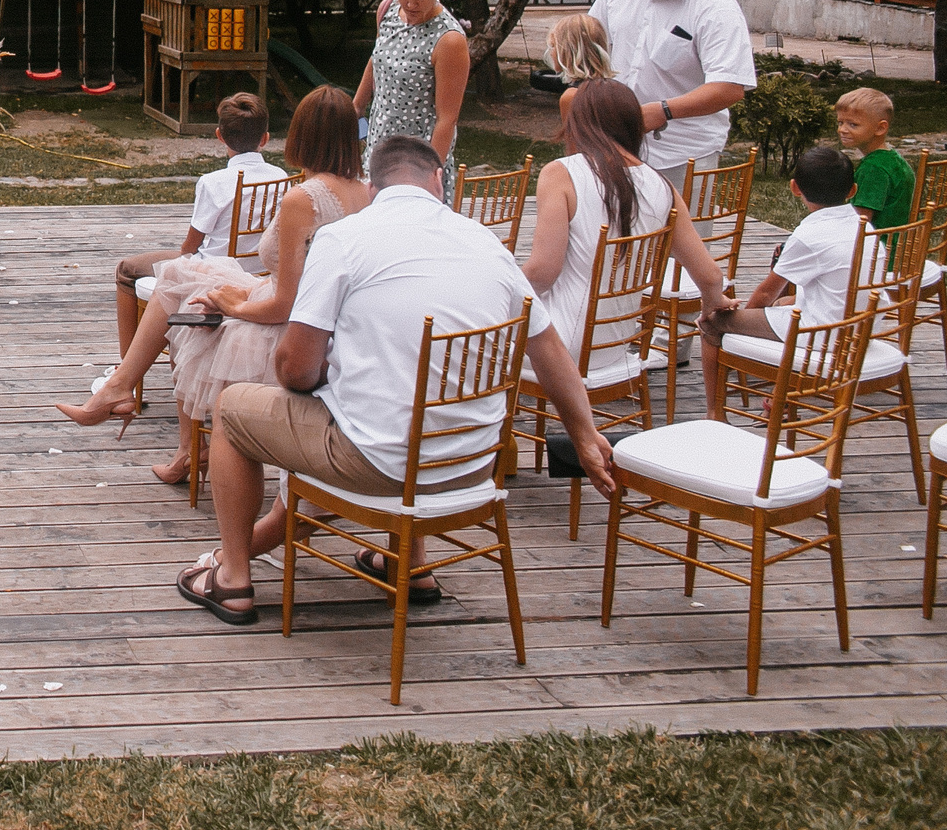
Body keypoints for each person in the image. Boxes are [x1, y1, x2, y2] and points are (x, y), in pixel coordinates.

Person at [175, 136, 618, 625]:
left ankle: (233, 577)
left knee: (235, 408)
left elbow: (295, 370)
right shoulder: (484, 241)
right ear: (438, 182)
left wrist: (322, 375)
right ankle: (410, 563)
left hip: (383, 464)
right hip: (473, 463)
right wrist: (583, 434)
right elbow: (550, 349)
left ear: (372, 188)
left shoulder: (344, 239)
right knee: (405, 391)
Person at [59, 86, 371, 489]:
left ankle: (159, 425)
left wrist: (235, 306)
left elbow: (286, 305)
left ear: (301, 136)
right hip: (326, 321)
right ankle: (130, 396)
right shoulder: (367, 193)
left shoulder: (303, 199)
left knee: (196, 312)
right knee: (178, 277)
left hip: (293, 329)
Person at [521, 78, 729, 360]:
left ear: (578, 123)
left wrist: (499, 294)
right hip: (618, 346)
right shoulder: (661, 185)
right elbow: (711, 276)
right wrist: (711, 305)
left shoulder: (561, 173)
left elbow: (542, 273)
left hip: (557, 346)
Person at [698, 143, 874, 421]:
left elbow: (766, 293)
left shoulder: (809, 234)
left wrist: (741, 316)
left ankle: (714, 412)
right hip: (860, 326)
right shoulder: (865, 227)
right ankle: (783, 400)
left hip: (825, 334)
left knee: (711, 323)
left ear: (794, 187)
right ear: (852, 190)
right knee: (784, 303)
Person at [104, 92, 283, 364]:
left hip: (213, 272)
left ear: (219, 136)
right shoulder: (281, 177)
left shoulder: (214, 182)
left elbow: (190, 247)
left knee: (126, 270)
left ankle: (126, 366)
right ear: (266, 138)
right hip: (262, 273)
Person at [586, 0, 755, 194]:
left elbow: (729, 88)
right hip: (619, 146)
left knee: (682, 238)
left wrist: (662, 111)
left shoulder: (715, 7)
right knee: (620, 237)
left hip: (685, 153)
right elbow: (591, 39)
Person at [354, 0, 469, 196]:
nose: (410, 3)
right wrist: (357, 107)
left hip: (417, 160)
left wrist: (426, 180)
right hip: (378, 149)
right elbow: (378, 58)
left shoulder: (449, 40)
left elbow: (447, 120)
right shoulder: (387, 10)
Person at [837, 87, 917, 231]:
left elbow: (860, 222)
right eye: (840, 122)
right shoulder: (893, 159)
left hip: (878, 247)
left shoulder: (873, 168)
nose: (842, 129)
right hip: (899, 243)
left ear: (880, 128)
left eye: (853, 124)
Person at [542, 13, 614, 131]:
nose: (551, 53)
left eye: (554, 46)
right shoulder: (618, 90)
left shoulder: (572, 97)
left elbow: (575, 146)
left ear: (568, 52)